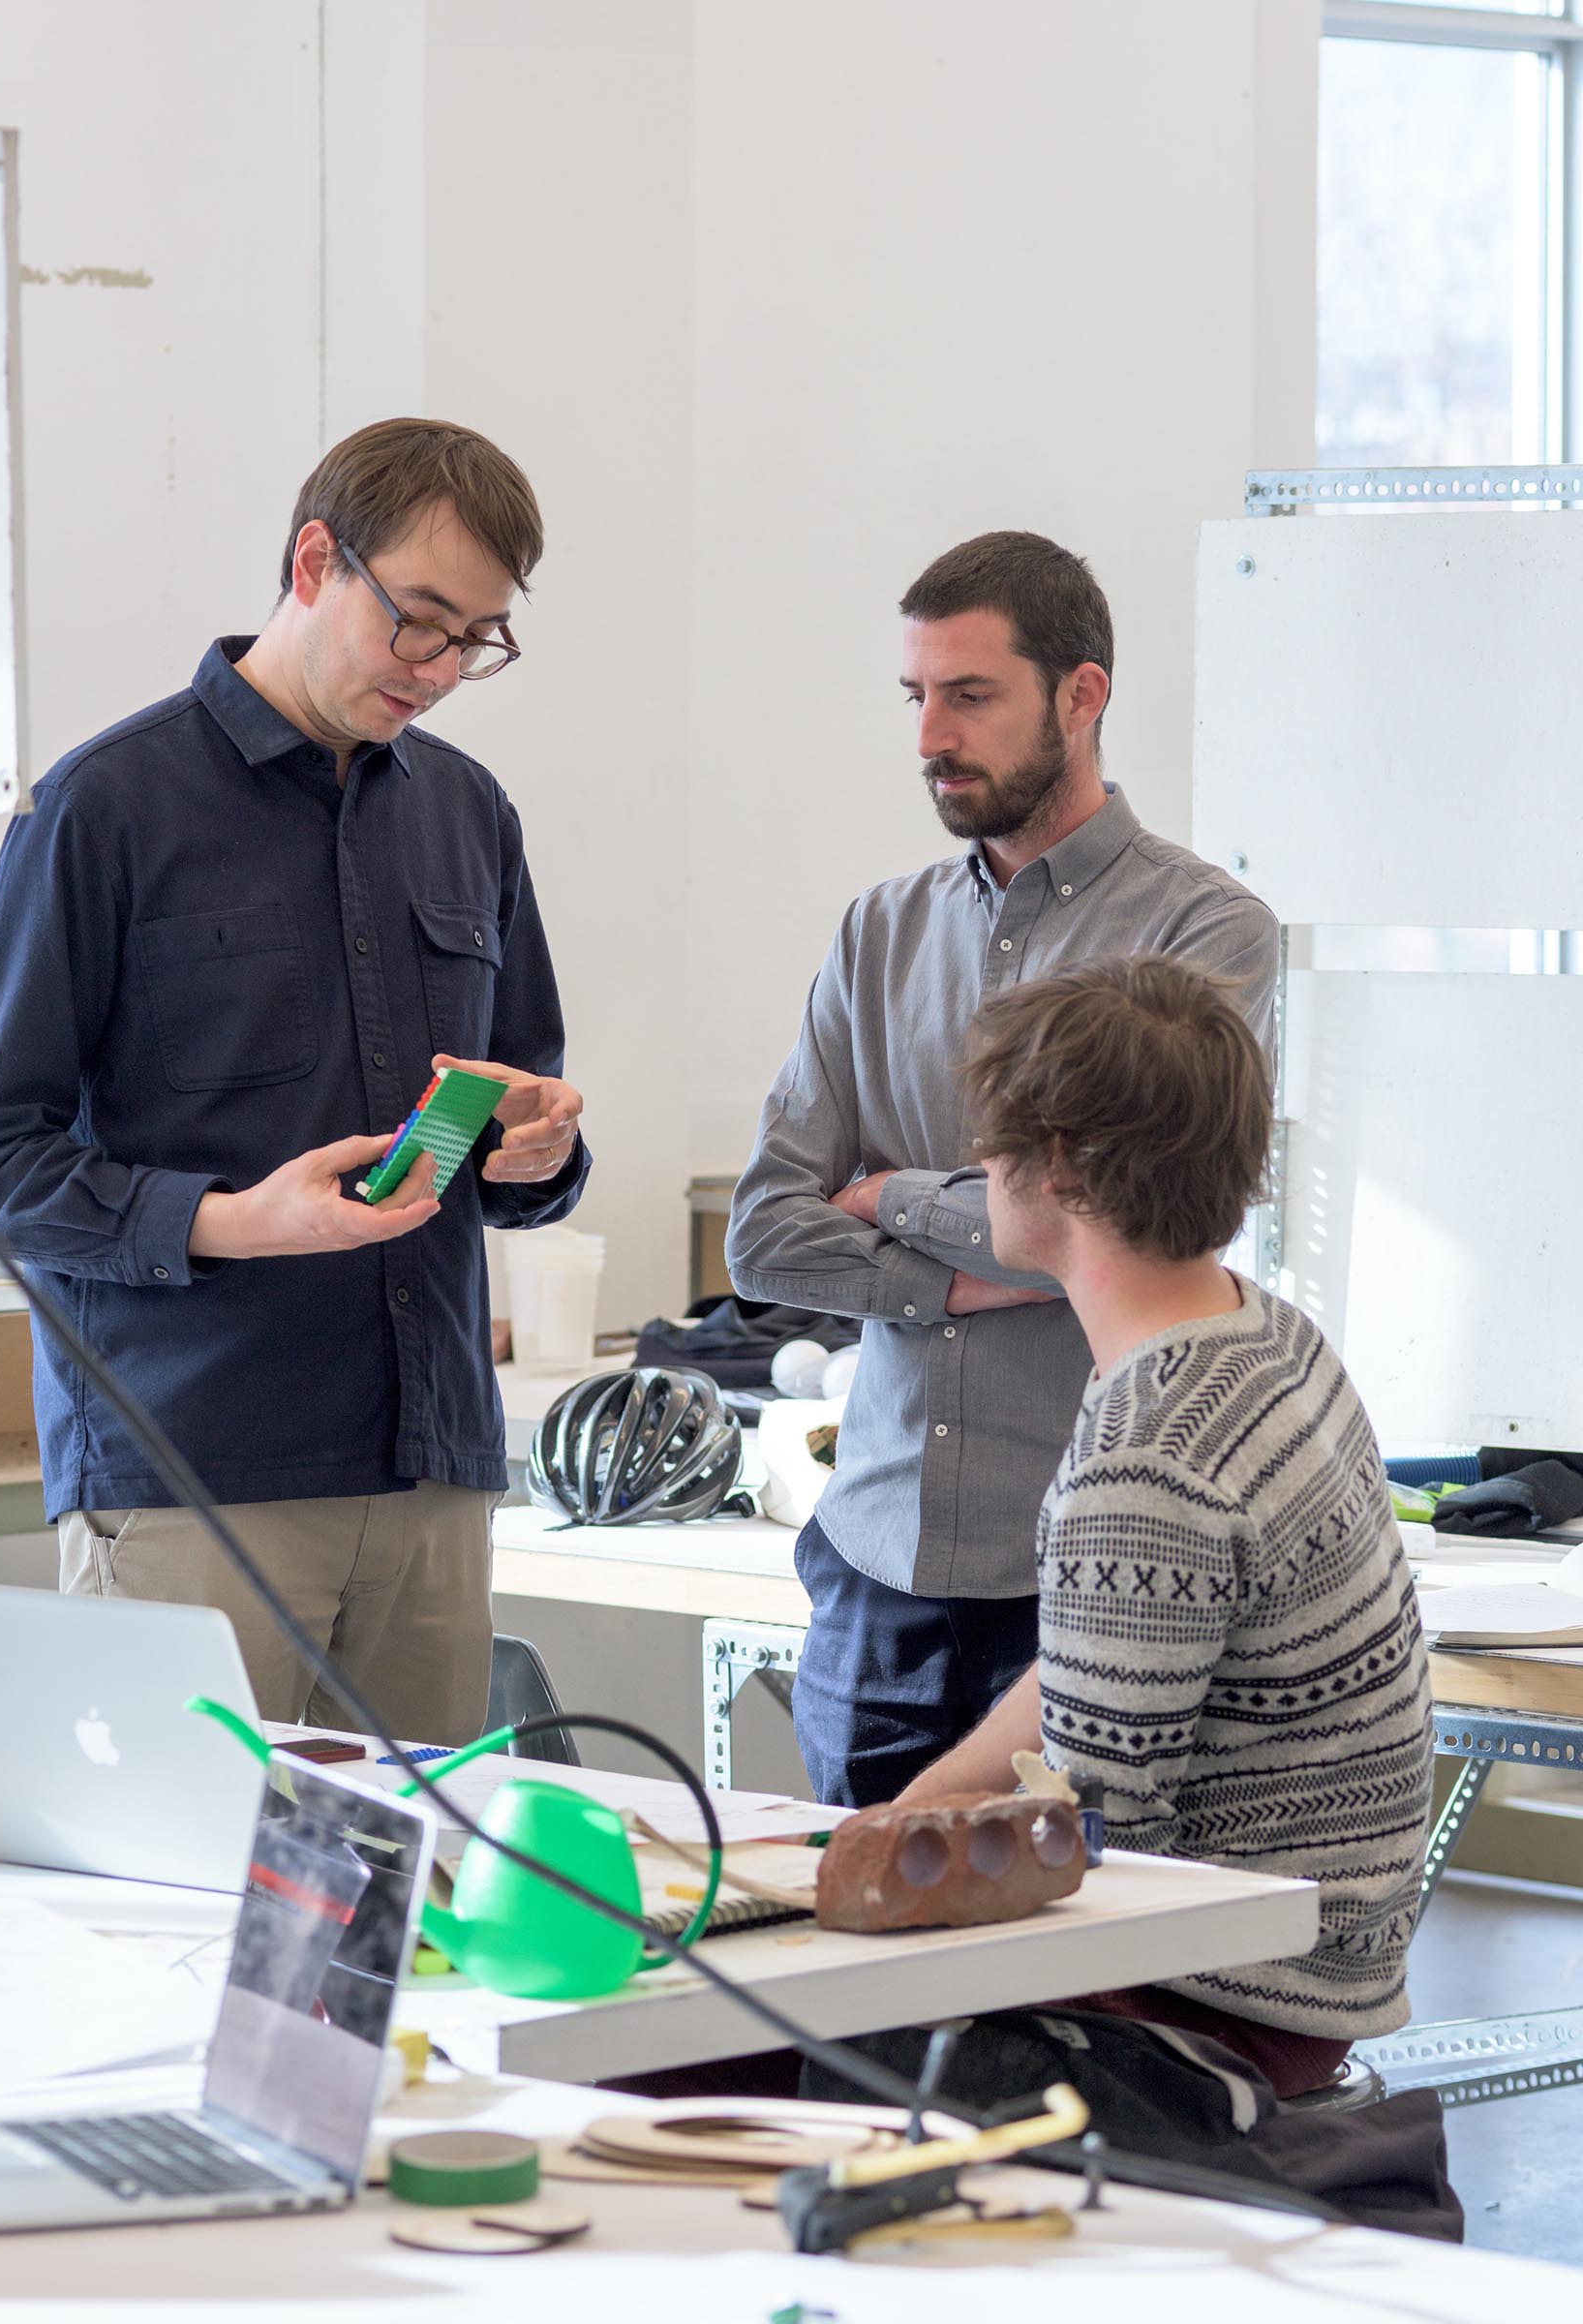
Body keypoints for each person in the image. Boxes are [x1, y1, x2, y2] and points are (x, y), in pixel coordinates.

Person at [0, 417, 589, 1739]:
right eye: (418, 622)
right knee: (187, 1870)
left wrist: (540, 1149)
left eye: (477, 640)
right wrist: (237, 1222)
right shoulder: (104, 809)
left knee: (417, 1870)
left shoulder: (469, 814)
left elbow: (519, 1107)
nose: (440, 671)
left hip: (431, 1472)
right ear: (315, 561)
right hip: (193, 1472)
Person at [725, 531, 1279, 1807]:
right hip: (876, 1568)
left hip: (1090, 1575)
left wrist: (886, 1197)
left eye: (970, 695)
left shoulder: (1205, 933)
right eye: (917, 696)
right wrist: (962, 1279)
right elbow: (762, 1233)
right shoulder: (878, 932)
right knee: (853, 1924)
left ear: (1082, 696)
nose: (932, 736)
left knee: (1089, 1934)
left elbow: (1140, 1224)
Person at [895, 954, 1434, 2087]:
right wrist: (907, 1813)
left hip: (1217, 1999)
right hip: (1311, 1961)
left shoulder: (1148, 1457)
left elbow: (1096, 1842)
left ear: (1055, 1163)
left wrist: (832, 1904)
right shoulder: (1262, 1333)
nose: (978, 1164)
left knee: (698, 2041)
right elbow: (1091, 1685)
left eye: (990, 1140)